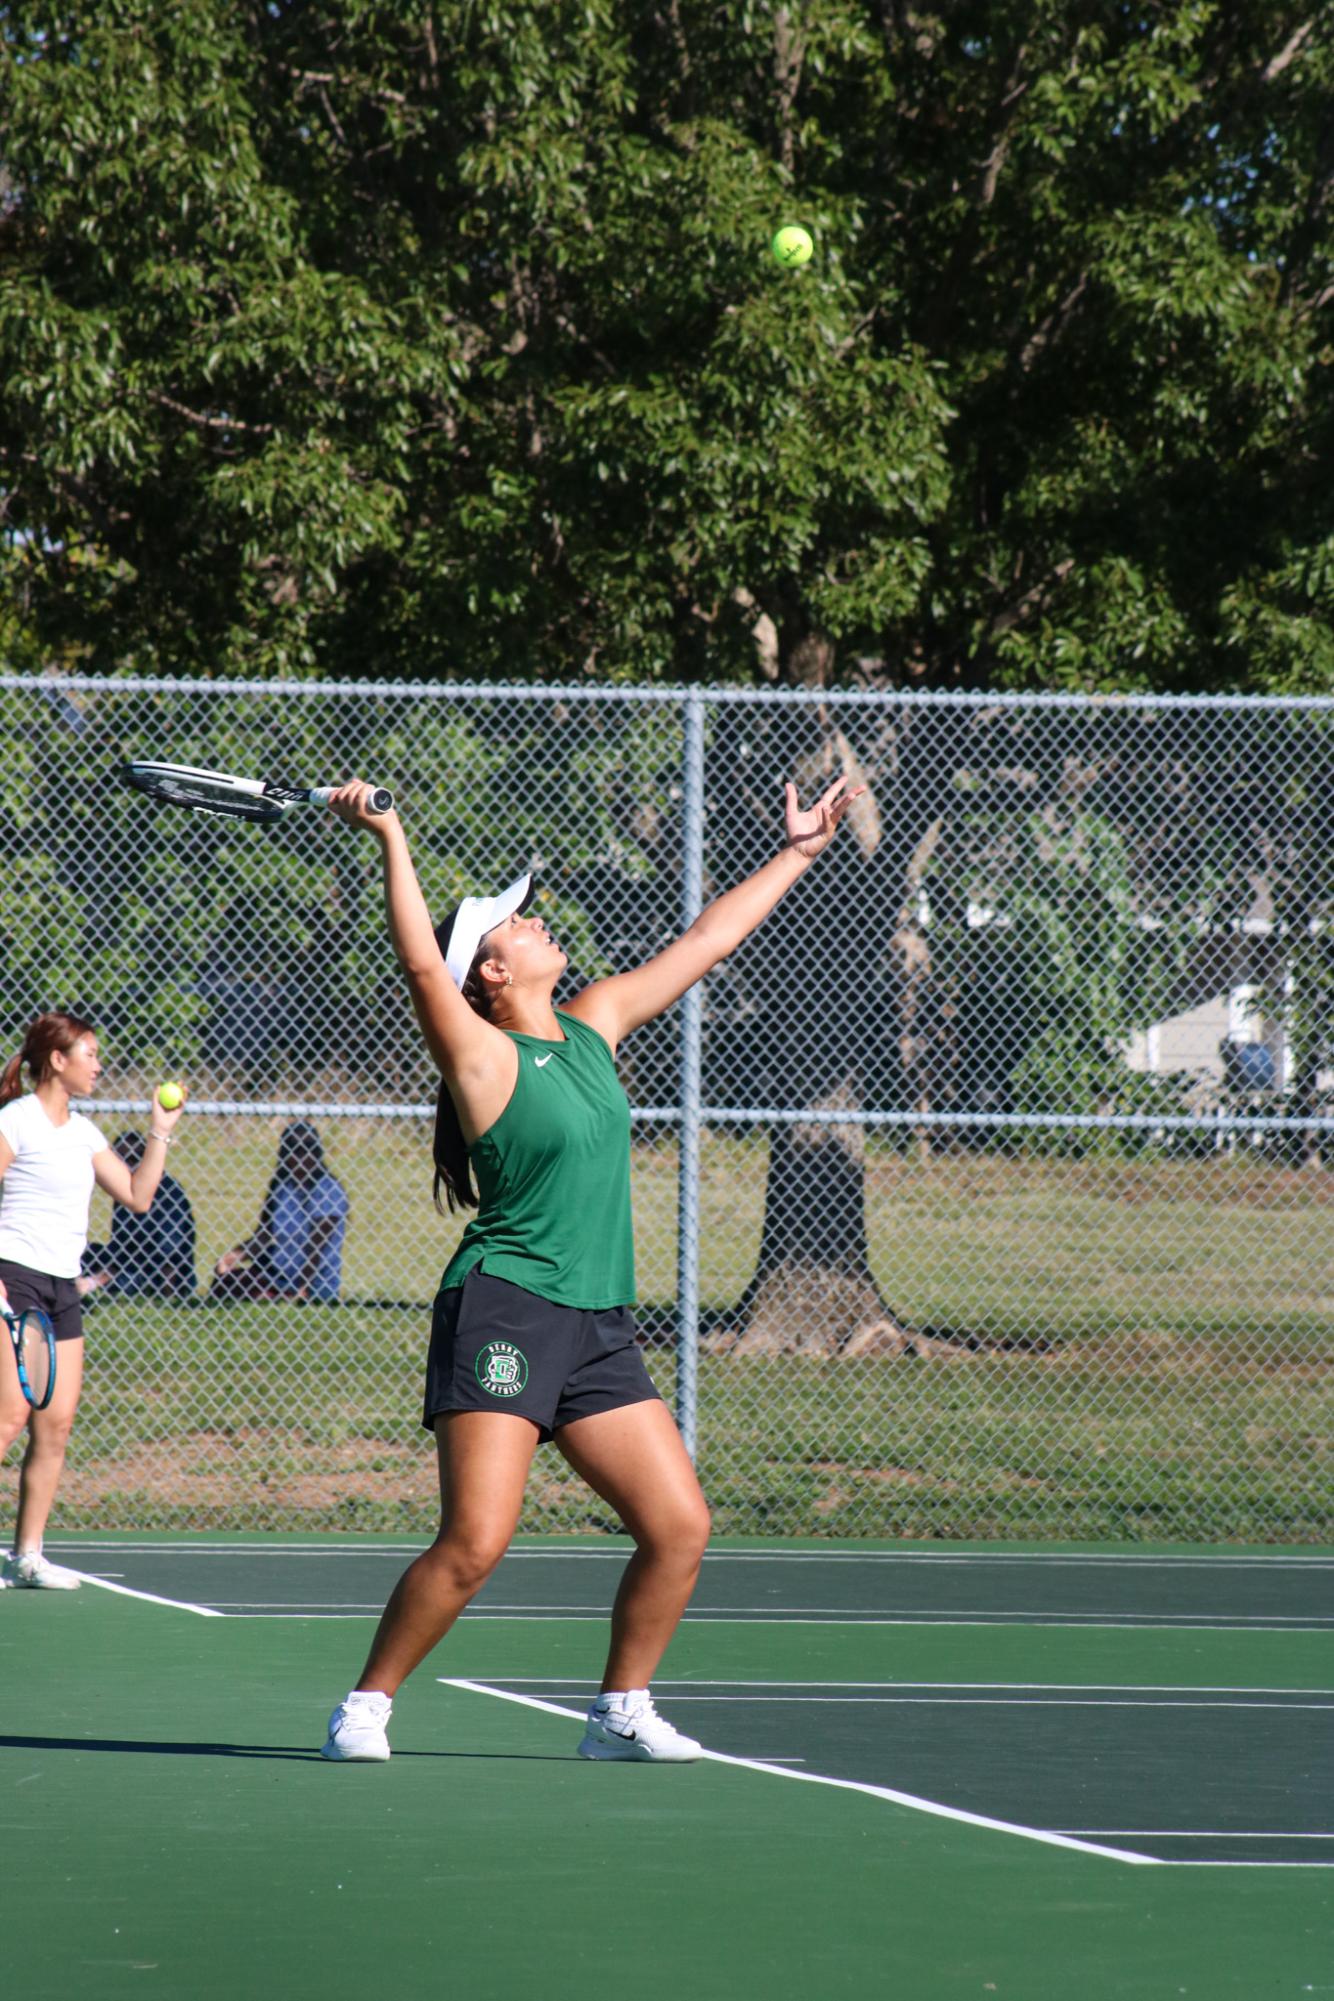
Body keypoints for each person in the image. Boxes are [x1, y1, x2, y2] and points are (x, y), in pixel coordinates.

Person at [318, 770, 863, 1763]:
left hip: (596, 1325)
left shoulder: (593, 1023)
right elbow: (417, 969)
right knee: (477, 1541)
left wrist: (795, 852)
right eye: (514, 928)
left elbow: (707, 942)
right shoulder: (482, 1060)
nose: (535, 925)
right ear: (487, 974)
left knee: (679, 1526)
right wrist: (390, 838)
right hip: (505, 1312)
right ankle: (367, 1704)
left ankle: (618, 1710)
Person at [0, 1013, 186, 1588]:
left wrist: (160, 1130)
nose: (99, 1065)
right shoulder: (16, 1121)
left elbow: (138, 1195)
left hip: (62, 1287)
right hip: (14, 1275)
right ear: (57, 1059)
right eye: (90, 1054)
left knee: (54, 1426)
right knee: (9, 1416)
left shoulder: (84, 1133)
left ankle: (28, 1556)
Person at [211, 1122, 348, 1303]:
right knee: (223, 1284)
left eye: (308, 1149)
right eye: (294, 1149)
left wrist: (302, 1286)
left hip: (314, 1282)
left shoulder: (328, 1188)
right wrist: (231, 1258)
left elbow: (318, 1245)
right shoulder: (282, 1185)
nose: (301, 1156)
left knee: (254, 1295)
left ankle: (280, 1295)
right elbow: (265, 1234)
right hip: (276, 1274)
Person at [80, 1130, 197, 1300]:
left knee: (126, 1279)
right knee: (78, 1250)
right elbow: (119, 1245)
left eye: (131, 1159)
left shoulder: (167, 1192)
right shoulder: (125, 1188)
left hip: (151, 1273)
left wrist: (95, 1281)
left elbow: (169, 1253)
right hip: (124, 1261)